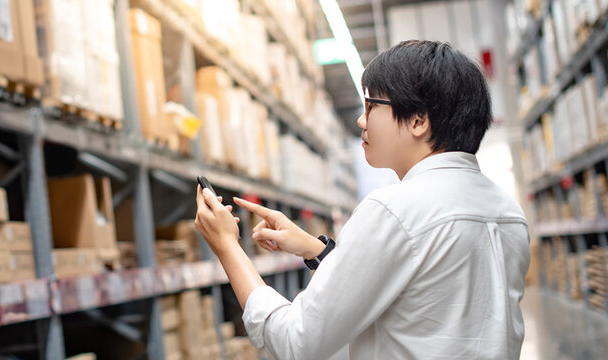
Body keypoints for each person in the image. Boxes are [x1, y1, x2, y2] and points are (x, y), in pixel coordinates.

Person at [194, 40, 530, 359]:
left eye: (372, 106)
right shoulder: (507, 212)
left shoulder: (394, 210)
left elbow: (296, 343)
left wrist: (227, 246)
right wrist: (317, 251)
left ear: (418, 120)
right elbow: (424, 296)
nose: (361, 120)